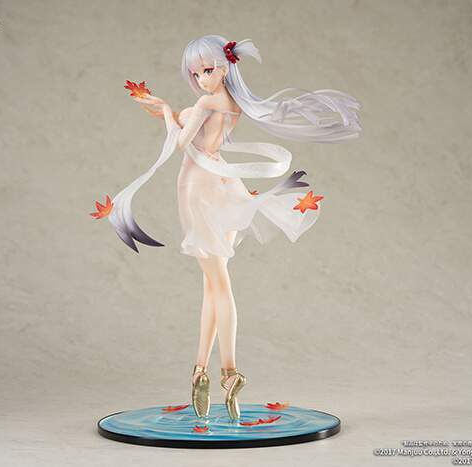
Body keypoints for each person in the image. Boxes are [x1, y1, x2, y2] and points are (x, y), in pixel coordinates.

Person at [107, 35, 361, 420]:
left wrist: (169, 113)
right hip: (225, 183)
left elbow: (182, 143)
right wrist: (168, 112)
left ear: (225, 68)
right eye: (196, 74)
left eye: (207, 70)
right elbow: (198, 129)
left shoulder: (207, 102)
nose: (202, 79)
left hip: (198, 185)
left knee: (218, 282)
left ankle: (229, 370)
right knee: (213, 282)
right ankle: (200, 370)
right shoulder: (233, 103)